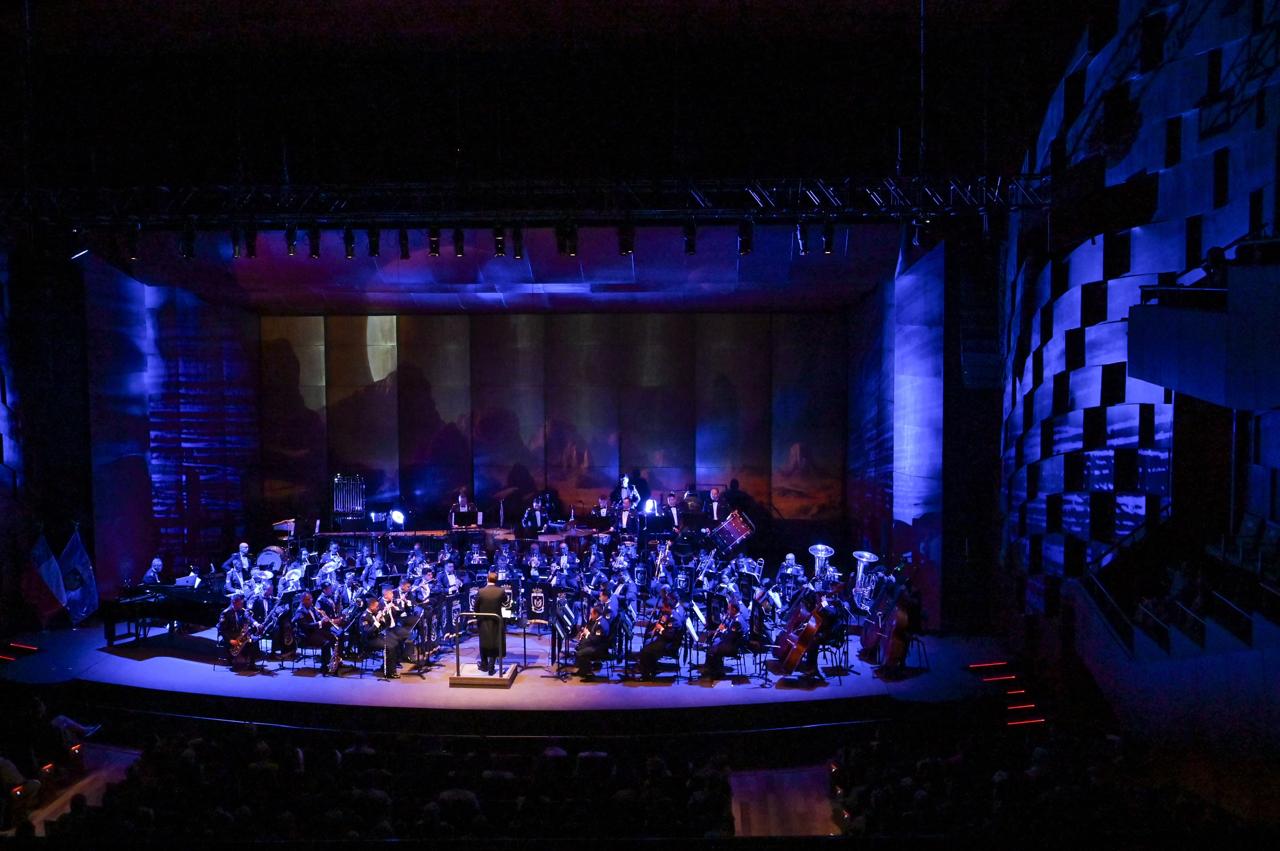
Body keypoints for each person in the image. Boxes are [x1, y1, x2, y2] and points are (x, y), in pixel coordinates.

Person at [638, 586, 686, 680]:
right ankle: (652, 667)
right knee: (648, 641)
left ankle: (646, 675)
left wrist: (660, 629)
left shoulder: (675, 617)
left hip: (671, 644)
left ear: (668, 607)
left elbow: (669, 635)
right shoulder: (674, 612)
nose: (663, 609)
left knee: (645, 651)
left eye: (664, 607)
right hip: (669, 638)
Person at [702, 598, 748, 680]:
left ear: (734, 609)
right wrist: (724, 621)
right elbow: (730, 630)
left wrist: (723, 630)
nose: (727, 611)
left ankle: (715, 673)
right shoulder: (735, 618)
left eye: (729, 609)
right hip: (732, 643)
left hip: (734, 647)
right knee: (714, 644)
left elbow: (730, 636)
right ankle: (715, 671)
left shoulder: (737, 622)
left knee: (713, 649)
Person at [573, 590, 614, 680]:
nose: (590, 616)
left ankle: (588, 673)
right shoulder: (598, 620)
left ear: (596, 614)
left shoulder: (601, 624)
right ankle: (583, 670)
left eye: (591, 614)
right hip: (597, 643)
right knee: (580, 646)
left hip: (600, 648)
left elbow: (596, 640)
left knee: (580, 652)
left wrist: (587, 634)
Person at [292, 591, 336, 672]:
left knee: (333, 637)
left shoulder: (311, 607)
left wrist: (323, 617)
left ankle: (335, 661)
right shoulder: (300, 612)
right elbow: (307, 626)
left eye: (311, 599)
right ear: (302, 600)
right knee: (326, 643)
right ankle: (324, 666)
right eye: (308, 599)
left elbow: (317, 618)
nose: (311, 601)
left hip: (315, 632)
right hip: (306, 636)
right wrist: (320, 622)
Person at [358, 596, 400, 679]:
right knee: (390, 646)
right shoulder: (364, 617)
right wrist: (377, 621)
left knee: (395, 642)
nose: (378, 608)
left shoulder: (374, 614)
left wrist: (382, 619)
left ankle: (385, 666)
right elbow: (368, 633)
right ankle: (390, 672)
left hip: (376, 637)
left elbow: (382, 627)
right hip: (369, 640)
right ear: (371, 606)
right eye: (376, 606)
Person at [473, 571, 505, 675]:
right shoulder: (501, 591)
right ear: (496, 580)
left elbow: (475, 606)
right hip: (497, 621)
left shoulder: (481, 591)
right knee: (495, 642)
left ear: (487, 579)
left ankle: (484, 664)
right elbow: (506, 602)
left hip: (483, 621)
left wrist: (478, 617)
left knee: (483, 642)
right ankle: (491, 666)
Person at [218, 592, 260, 668]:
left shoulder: (242, 611)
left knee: (253, 641)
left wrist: (254, 624)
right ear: (234, 603)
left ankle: (252, 664)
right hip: (230, 637)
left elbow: (248, 618)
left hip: (240, 636)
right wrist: (230, 640)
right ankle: (233, 659)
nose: (242, 605)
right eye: (240, 604)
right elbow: (222, 630)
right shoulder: (225, 613)